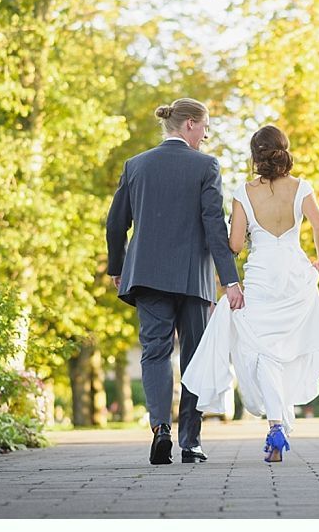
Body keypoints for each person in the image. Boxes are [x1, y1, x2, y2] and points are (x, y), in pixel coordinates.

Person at [182, 124, 319, 464]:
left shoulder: (242, 193)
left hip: (262, 279)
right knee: (284, 354)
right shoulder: (301, 187)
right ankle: (279, 426)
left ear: (254, 156)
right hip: (296, 278)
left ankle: (276, 425)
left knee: (264, 353)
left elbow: (235, 245)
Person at [106, 98, 244, 465]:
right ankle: (191, 442)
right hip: (192, 279)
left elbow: (117, 222)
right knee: (195, 359)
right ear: (189, 125)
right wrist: (230, 280)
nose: (208, 133)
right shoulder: (206, 166)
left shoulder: (136, 166)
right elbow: (215, 226)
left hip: (147, 276)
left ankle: (159, 429)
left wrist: (118, 266)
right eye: (206, 126)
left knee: (154, 353)